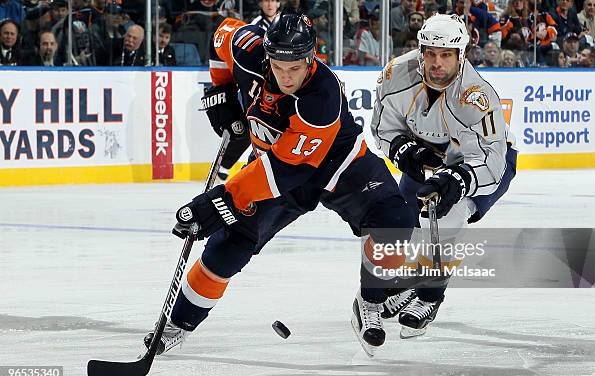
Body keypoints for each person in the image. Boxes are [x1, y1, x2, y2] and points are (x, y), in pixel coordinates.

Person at [144, 12, 417, 357]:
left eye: (295, 68)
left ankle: (370, 301)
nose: (286, 77)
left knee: (395, 223)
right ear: (267, 56)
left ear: (310, 58)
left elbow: (285, 171)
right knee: (229, 245)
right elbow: (222, 34)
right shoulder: (248, 49)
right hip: (273, 161)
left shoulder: (322, 96)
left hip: (339, 163)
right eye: (278, 67)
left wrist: (220, 199)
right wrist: (221, 90)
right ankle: (177, 324)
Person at [371, 13, 517, 337]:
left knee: (445, 215)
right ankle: (410, 281)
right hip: (432, 156)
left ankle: (429, 296)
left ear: (461, 55)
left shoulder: (477, 96)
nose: (437, 63)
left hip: (484, 161)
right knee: (404, 218)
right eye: (430, 53)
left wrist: (460, 180)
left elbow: (492, 161)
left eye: (446, 55)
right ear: (421, 50)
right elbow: (382, 126)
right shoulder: (398, 74)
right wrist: (403, 148)